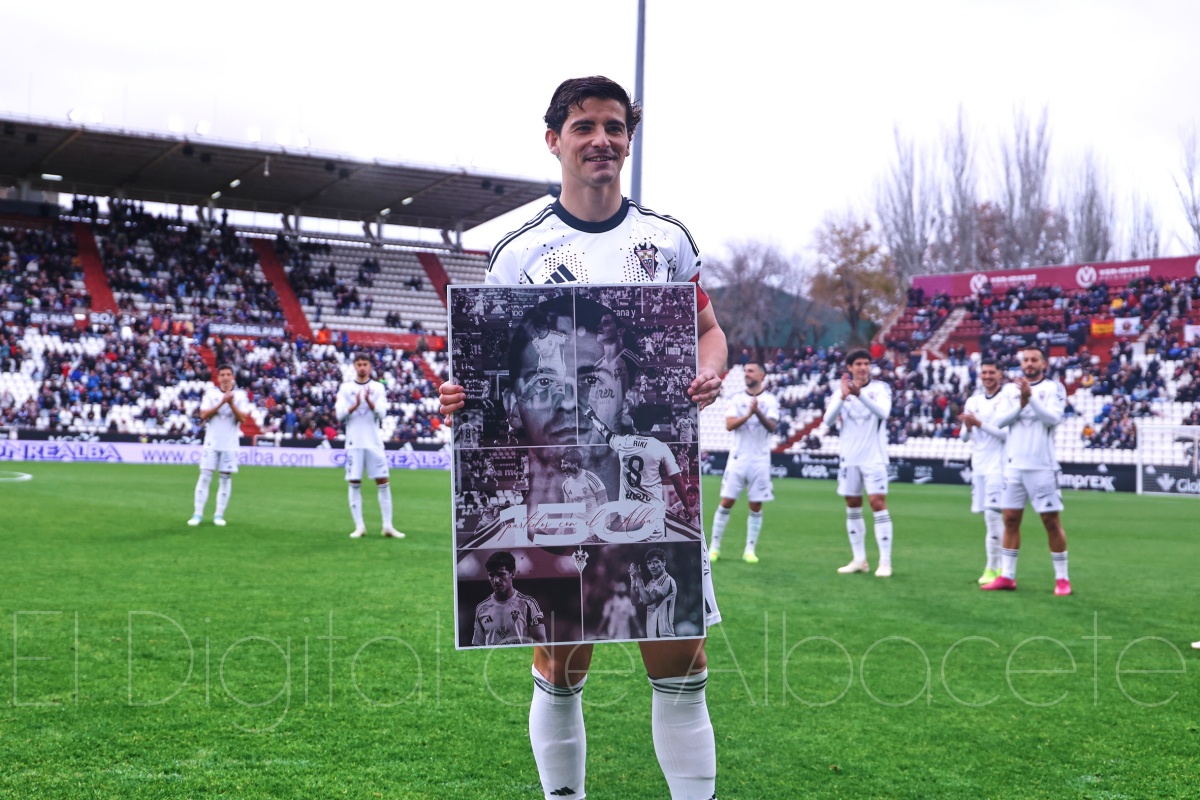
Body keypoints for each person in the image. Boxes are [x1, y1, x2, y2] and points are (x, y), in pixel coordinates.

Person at [439, 76, 725, 800]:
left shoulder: (666, 240)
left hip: (646, 497)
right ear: (553, 140)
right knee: (561, 664)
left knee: (683, 663)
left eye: (614, 127)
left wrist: (711, 371)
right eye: (584, 126)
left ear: (629, 139)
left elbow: (708, 331)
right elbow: (482, 363)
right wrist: (457, 398)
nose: (601, 139)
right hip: (550, 500)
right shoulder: (519, 252)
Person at [983, 346, 1071, 595]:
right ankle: (1007, 576)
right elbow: (1000, 421)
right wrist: (1021, 403)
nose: (1029, 364)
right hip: (1013, 467)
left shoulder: (1054, 388)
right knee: (1010, 520)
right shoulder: (1009, 390)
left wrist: (1030, 398)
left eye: (1034, 360)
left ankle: (1062, 579)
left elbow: (1053, 419)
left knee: (1051, 522)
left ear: (1044, 364)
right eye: (1026, 360)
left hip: (1042, 467)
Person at [822, 348, 895, 577]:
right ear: (850, 368)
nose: (863, 368)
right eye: (858, 364)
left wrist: (859, 394)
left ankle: (885, 562)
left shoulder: (880, 389)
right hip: (849, 458)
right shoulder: (840, 391)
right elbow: (828, 420)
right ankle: (859, 560)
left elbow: (884, 413)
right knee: (852, 505)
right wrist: (844, 396)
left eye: (866, 363)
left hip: (874, 458)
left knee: (877, 503)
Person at [708, 362, 779, 564]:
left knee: (756, 505)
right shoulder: (736, 398)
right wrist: (749, 414)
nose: (747, 374)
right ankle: (714, 547)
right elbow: (729, 425)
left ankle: (750, 550)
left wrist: (758, 412)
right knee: (726, 501)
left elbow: (772, 426)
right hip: (738, 458)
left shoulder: (770, 400)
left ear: (762, 375)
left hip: (760, 460)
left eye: (751, 371)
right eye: (745, 371)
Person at [335, 353, 405, 539]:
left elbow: (382, 414)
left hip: (373, 442)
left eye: (365, 364)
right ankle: (359, 527)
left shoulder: (377, 388)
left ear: (370, 366)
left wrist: (369, 402)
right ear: (354, 366)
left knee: (383, 482)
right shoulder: (346, 388)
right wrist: (356, 404)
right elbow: (339, 415)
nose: (362, 367)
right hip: (354, 442)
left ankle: (388, 526)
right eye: (359, 364)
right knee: (354, 483)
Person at [959, 357, 1009, 585]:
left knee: (993, 516)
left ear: (1000, 374)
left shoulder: (1005, 399)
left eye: (992, 372)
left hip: (998, 466)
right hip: (978, 465)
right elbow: (964, 437)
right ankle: (999, 566)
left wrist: (979, 424)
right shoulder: (973, 400)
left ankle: (993, 567)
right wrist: (968, 426)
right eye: (984, 372)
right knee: (989, 519)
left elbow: (1005, 434)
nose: (988, 376)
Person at [189, 363, 252, 527]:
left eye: (228, 375)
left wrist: (231, 403)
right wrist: (222, 403)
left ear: (233, 377)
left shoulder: (240, 396)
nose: (225, 378)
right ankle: (197, 513)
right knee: (204, 477)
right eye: (222, 375)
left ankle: (219, 515)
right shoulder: (211, 394)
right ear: (218, 378)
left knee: (225, 479)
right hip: (211, 442)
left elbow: (243, 418)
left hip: (230, 444)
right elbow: (203, 415)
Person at [472, 551, 547, 645]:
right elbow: (478, 645)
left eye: (501, 574)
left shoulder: (528, 604)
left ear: (512, 573)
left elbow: (541, 640)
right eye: (491, 575)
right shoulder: (481, 608)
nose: (496, 580)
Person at [629, 547, 677, 638]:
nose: (652, 566)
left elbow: (647, 601)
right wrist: (633, 581)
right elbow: (635, 602)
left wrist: (638, 579)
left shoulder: (666, 580)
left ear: (664, 563)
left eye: (656, 562)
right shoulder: (650, 584)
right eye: (649, 563)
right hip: (653, 637)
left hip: (664, 637)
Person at [560, 447, 609, 514]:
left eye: (565, 463)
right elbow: (567, 511)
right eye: (561, 463)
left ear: (575, 464)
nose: (561, 466)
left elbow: (605, 505)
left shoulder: (592, 479)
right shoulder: (566, 485)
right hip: (575, 520)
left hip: (592, 520)